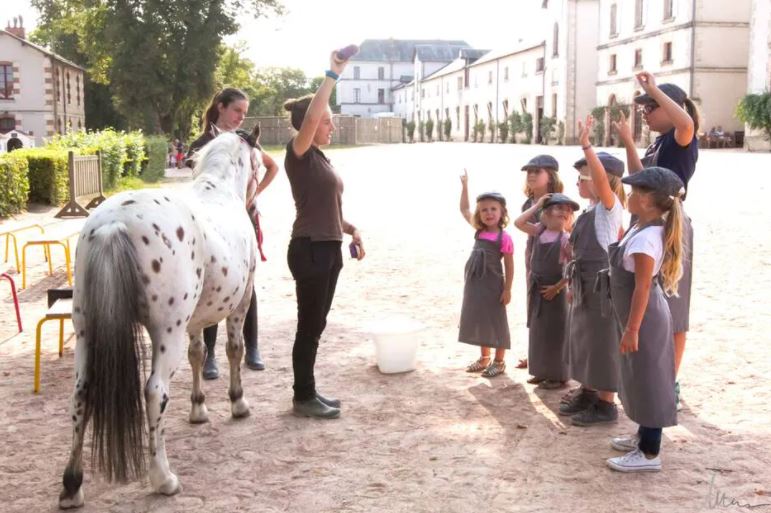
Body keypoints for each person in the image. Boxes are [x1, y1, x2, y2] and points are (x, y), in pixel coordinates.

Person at [284, 50, 365, 419]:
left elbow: (329, 210)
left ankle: (309, 392)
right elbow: (315, 112)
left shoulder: (320, 158)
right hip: (310, 249)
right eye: (327, 122)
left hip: (329, 247)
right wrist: (332, 74)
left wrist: (352, 230)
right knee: (309, 326)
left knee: (316, 325)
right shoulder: (298, 151)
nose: (331, 127)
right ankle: (303, 397)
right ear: (310, 125)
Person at [614, 73, 698, 410]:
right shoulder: (658, 143)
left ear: (671, 107)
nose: (646, 111)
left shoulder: (681, 137)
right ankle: (657, 377)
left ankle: (669, 383)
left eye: (650, 106)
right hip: (649, 221)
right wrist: (627, 141)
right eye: (644, 106)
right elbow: (640, 179)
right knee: (651, 302)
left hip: (670, 226)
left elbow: (686, 121)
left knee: (674, 309)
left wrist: (653, 89)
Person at [187, 87, 279, 379]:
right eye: (237, 110)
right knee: (213, 281)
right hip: (210, 223)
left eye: (244, 112)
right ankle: (211, 355)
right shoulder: (201, 144)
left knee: (246, 285)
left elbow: (272, 167)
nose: (242, 117)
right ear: (221, 107)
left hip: (241, 220)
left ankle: (252, 347)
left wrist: (252, 197)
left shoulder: (245, 141)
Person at [604, 166, 684, 473]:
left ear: (649, 201)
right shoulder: (642, 227)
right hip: (638, 316)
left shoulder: (646, 240)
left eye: (636, 192)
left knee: (650, 380)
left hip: (644, 318)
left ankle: (650, 453)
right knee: (638, 376)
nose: (630, 196)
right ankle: (642, 436)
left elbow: (642, 286)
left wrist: (633, 328)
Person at [560, 116, 627, 426]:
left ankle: (605, 403)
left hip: (602, 290)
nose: (578, 182)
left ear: (603, 180)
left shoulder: (609, 210)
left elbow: (601, 182)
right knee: (585, 340)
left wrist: (587, 144)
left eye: (583, 176)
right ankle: (587, 391)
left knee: (602, 345)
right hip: (584, 286)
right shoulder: (590, 210)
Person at [514, 192, 577, 389]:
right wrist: (537, 204)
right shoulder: (539, 231)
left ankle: (557, 375)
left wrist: (557, 288)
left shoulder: (565, 239)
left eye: (567, 210)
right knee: (538, 332)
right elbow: (518, 222)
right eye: (558, 208)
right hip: (537, 288)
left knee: (555, 334)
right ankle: (541, 371)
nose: (564, 212)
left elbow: (573, 269)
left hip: (554, 292)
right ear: (546, 213)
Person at [458, 170, 513, 378]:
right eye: (484, 210)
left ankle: (499, 362)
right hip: (475, 283)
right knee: (480, 318)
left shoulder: (504, 238)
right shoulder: (479, 230)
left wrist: (507, 289)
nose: (488, 213)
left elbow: (509, 265)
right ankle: (484, 358)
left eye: (493, 209)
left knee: (496, 320)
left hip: (493, 284)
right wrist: (465, 186)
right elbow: (464, 209)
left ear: (502, 212)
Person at [516, 155, 564, 370]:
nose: (532, 175)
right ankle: (536, 353)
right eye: (529, 172)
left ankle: (552, 361)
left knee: (553, 311)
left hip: (554, 260)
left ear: (551, 176)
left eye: (538, 171)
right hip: (533, 256)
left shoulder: (558, 202)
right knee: (534, 306)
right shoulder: (529, 202)